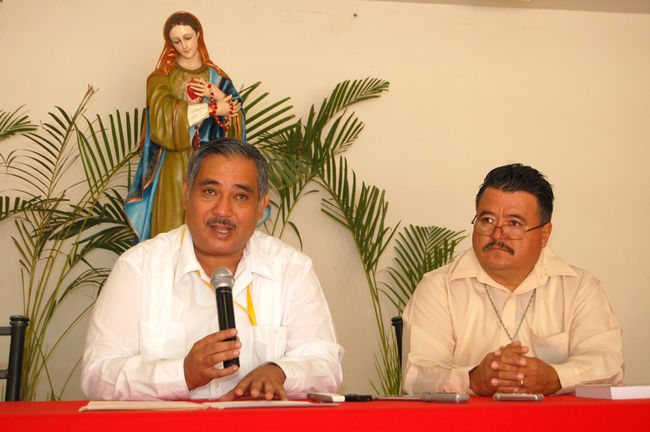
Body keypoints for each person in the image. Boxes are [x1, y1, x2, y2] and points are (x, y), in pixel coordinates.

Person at [82, 138, 343, 400]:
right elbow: (97, 375)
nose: (223, 210)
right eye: (210, 192)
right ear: (186, 195)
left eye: (240, 196)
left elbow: (326, 367)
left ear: (262, 207)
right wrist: (182, 374)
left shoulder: (292, 270)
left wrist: (280, 373)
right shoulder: (138, 267)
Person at [402, 163, 623, 396]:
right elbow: (417, 375)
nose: (497, 234)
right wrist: (473, 379)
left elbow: (609, 366)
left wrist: (555, 378)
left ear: (545, 234)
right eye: (487, 220)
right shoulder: (438, 288)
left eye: (514, 223)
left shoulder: (579, 288)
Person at [125, 11, 245, 242]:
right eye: (177, 41)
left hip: (210, 165)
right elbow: (162, 120)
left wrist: (219, 95)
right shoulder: (161, 79)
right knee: (172, 228)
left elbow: (236, 118)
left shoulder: (218, 78)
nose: (184, 45)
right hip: (174, 165)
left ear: (198, 34)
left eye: (188, 37)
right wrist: (212, 109)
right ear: (170, 43)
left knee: (210, 227)